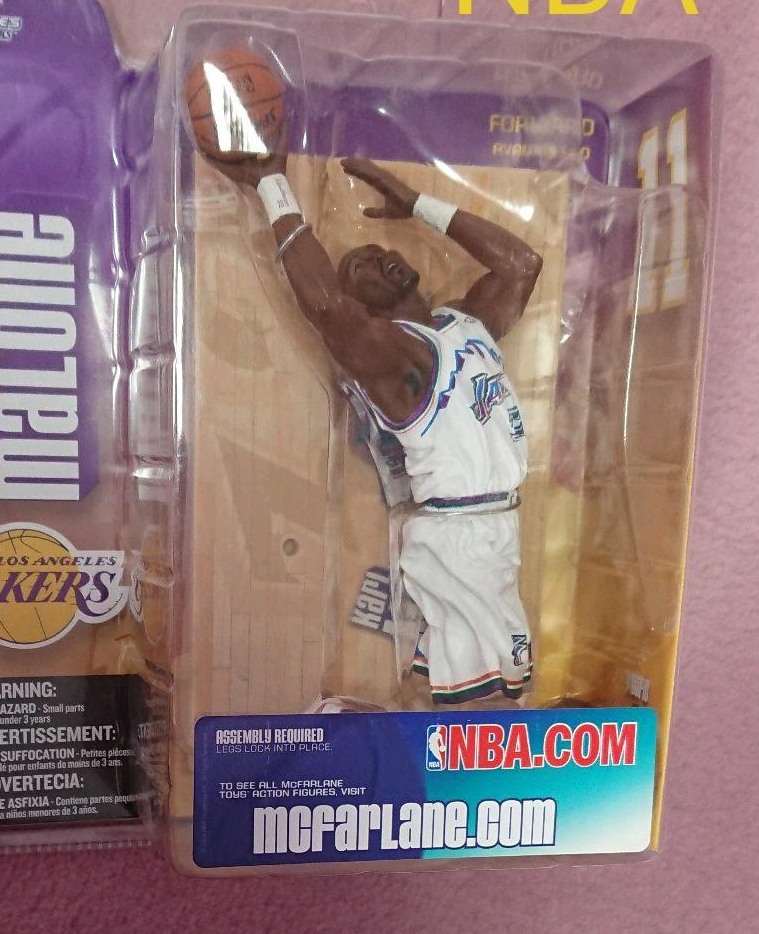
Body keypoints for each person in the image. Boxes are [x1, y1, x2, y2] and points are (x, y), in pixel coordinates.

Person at [206, 143, 543, 704]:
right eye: (357, 267)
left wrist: (418, 204)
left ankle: (361, 728)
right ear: (361, 304)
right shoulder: (395, 357)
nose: (374, 257)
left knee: (445, 688)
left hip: (490, 526)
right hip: (462, 531)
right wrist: (273, 186)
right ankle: (361, 726)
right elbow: (326, 306)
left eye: (377, 251)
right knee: (491, 704)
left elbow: (522, 264)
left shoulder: (464, 323)